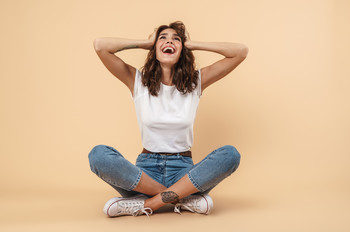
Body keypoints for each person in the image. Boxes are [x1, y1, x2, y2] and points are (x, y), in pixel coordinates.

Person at [89, 21, 248, 217]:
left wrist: (193, 44)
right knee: (98, 155)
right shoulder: (137, 82)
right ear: (154, 49)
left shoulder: (196, 82)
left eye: (176, 39)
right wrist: (145, 42)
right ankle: (182, 199)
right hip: (145, 175)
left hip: (183, 173)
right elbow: (100, 46)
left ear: (182, 49)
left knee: (230, 155)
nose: (169, 41)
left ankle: (147, 203)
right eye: (162, 38)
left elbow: (240, 52)